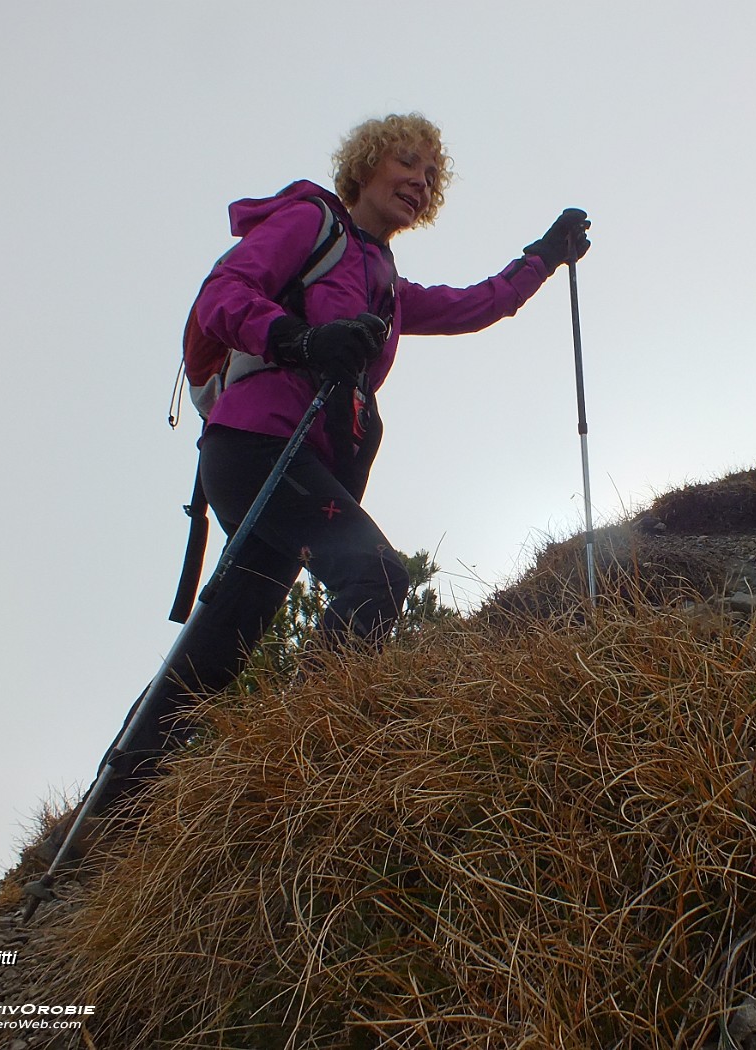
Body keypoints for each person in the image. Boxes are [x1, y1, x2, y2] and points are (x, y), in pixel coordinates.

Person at [103, 112, 590, 803]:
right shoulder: (312, 223)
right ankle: (305, 765)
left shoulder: (385, 284)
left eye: (430, 176)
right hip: (258, 444)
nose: (419, 182)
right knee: (377, 576)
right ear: (365, 165)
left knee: (222, 642)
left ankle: (110, 813)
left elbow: (475, 305)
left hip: (295, 464)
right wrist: (301, 341)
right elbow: (222, 297)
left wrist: (543, 256)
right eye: (406, 163)